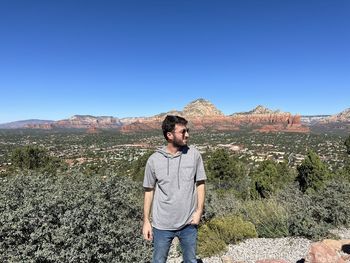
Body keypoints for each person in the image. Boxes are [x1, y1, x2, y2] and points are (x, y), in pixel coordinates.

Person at [142, 115, 207, 263]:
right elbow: (149, 191)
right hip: (161, 225)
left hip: (188, 223)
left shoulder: (194, 155)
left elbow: (201, 184)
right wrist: (146, 221)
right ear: (169, 135)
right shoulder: (154, 160)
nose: (187, 135)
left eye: (187, 130)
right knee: (158, 261)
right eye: (183, 132)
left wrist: (199, 211)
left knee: (190, 260)